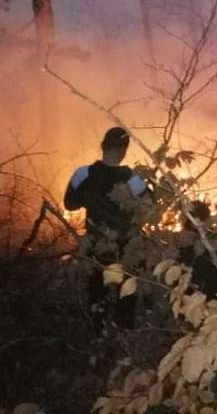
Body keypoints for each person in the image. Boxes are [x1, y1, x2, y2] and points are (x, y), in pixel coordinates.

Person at [64, 126, 148, 331]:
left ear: (103, 146)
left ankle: (98, 336)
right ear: (125, 151)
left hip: (96, 245)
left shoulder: (83, 173)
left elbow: (69, 204)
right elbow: (148, 211)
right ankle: (125, 337)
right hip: (126, 247)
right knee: (126, 297)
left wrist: (90, 197)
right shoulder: (133, 179)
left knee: (97, 293)